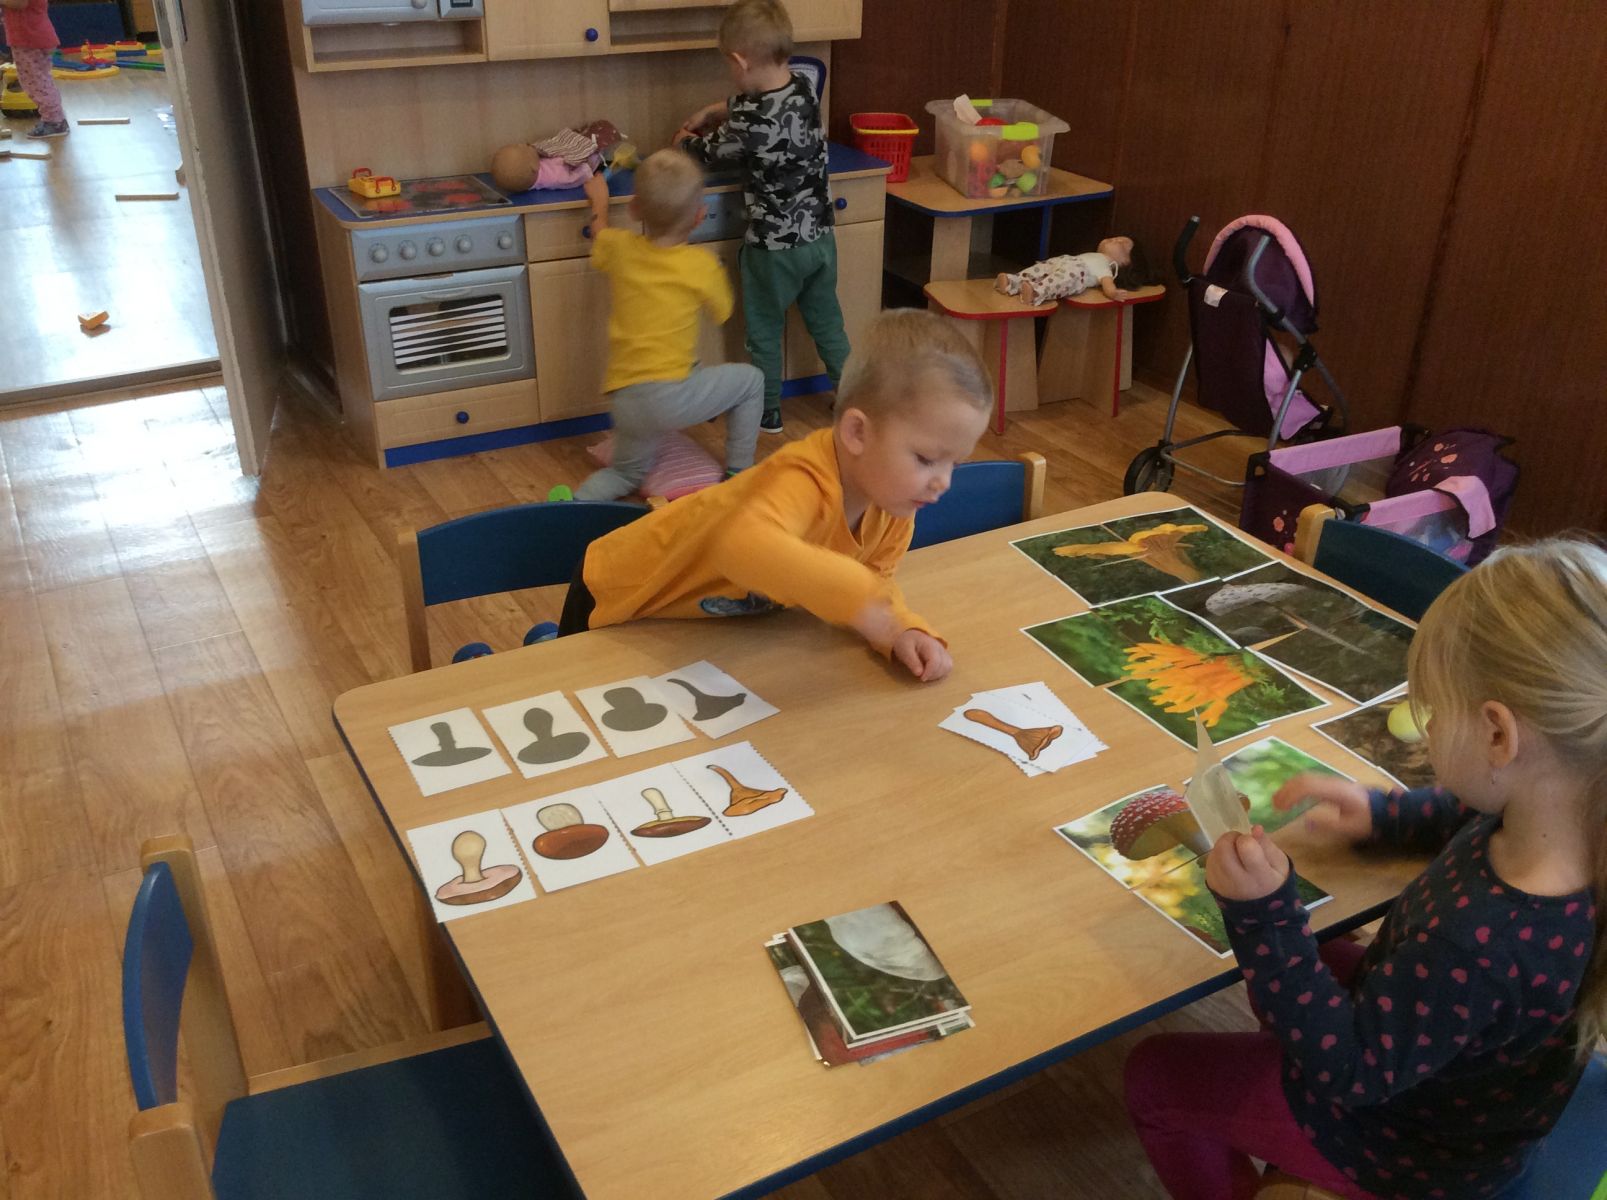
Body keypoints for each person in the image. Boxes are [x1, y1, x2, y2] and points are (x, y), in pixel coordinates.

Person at [1124, 539, 1607, 1200]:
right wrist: (1382, 816)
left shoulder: (1476, 942)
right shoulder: (1572, 825)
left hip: (1399, 1148)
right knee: (1315, 949)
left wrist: (1263, 914)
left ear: (1498, 735)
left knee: (1156, 1076)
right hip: (1459, 1096)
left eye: (1432, 711)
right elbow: (1467, 814)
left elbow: (1350, 1071)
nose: (1424, 730)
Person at [558, 308, 993, 683]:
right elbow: (741, 545)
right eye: (926, 459)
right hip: (619, 594)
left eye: (954, 463)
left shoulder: (895, 503)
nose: (942, 482)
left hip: (691, 631)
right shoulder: (803, 476)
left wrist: (900, 630)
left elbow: (875, 588)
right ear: (858, 432)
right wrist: (851, 591)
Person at [674, 0, 847, 437]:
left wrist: (682, 140)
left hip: (773, 248)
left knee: (764, 331)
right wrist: (718, 108)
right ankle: (851, 400)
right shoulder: (804, 88)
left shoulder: (748, 123)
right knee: (828, 322)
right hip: (820, 238)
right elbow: (760, 104)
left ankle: (768, 412)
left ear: (739, 61)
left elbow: (707, 153)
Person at [571, 150, 763, 501]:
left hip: (626, 402)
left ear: (635, 210)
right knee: (751, 382)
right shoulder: (701, 265)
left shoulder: (620, 248)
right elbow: (723, 311)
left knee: (624, 474)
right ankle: (740, 470)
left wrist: (599, 199)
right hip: (674, 397)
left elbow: (599, 231)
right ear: (700, 216)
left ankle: (575, 505)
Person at [994, 236, 1139, 307]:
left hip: (1077, 272)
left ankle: (1036, 292)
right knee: (1040, 269)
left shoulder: (1106, 266)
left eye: (1123, 244)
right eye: (1115, 238)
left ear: (1126, 262)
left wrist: (1113, 293)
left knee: (1059, 281)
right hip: (1064, 260)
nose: (1115, 239)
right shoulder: (1096, 256)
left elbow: (1107, 283)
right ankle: (1013, 281)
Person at [2, 0, 68, 139]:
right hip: (32, 36)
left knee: (36, 82)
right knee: (39, 80)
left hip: (28, 38)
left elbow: (19, 3)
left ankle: (54, 121)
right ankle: (55, 118)